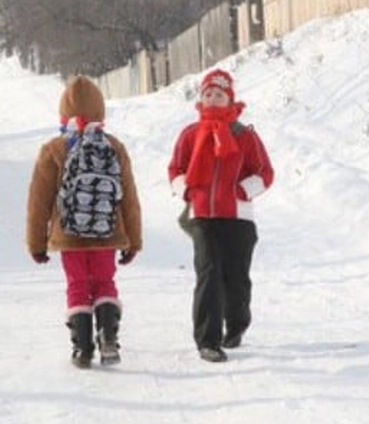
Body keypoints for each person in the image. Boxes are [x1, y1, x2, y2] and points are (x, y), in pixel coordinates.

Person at [26, 76, 143, 368]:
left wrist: (36, 243)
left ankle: (82, 348)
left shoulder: (53, 149)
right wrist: (134, 240)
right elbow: (129, 199)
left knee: (77, 284)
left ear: (63, 115)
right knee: (105, 281)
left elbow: (38, 203)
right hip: (108, 234)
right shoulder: (114, 147)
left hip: (69, 236)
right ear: (100, 112)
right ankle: (107, 336)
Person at [168, 68, 274, 363]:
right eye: (208, 94)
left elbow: (265, 172)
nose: (213, 99)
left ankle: (236, 325)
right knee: (209, 274)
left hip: (238, 217)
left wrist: (244, 189)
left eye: (219, 94)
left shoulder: (244, 135)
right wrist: (185, 189)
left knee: (236, 279)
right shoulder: (190, 135)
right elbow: (175, 169)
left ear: (229, 100)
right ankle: (208, 341)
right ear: (201, 99)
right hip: (202, 216)